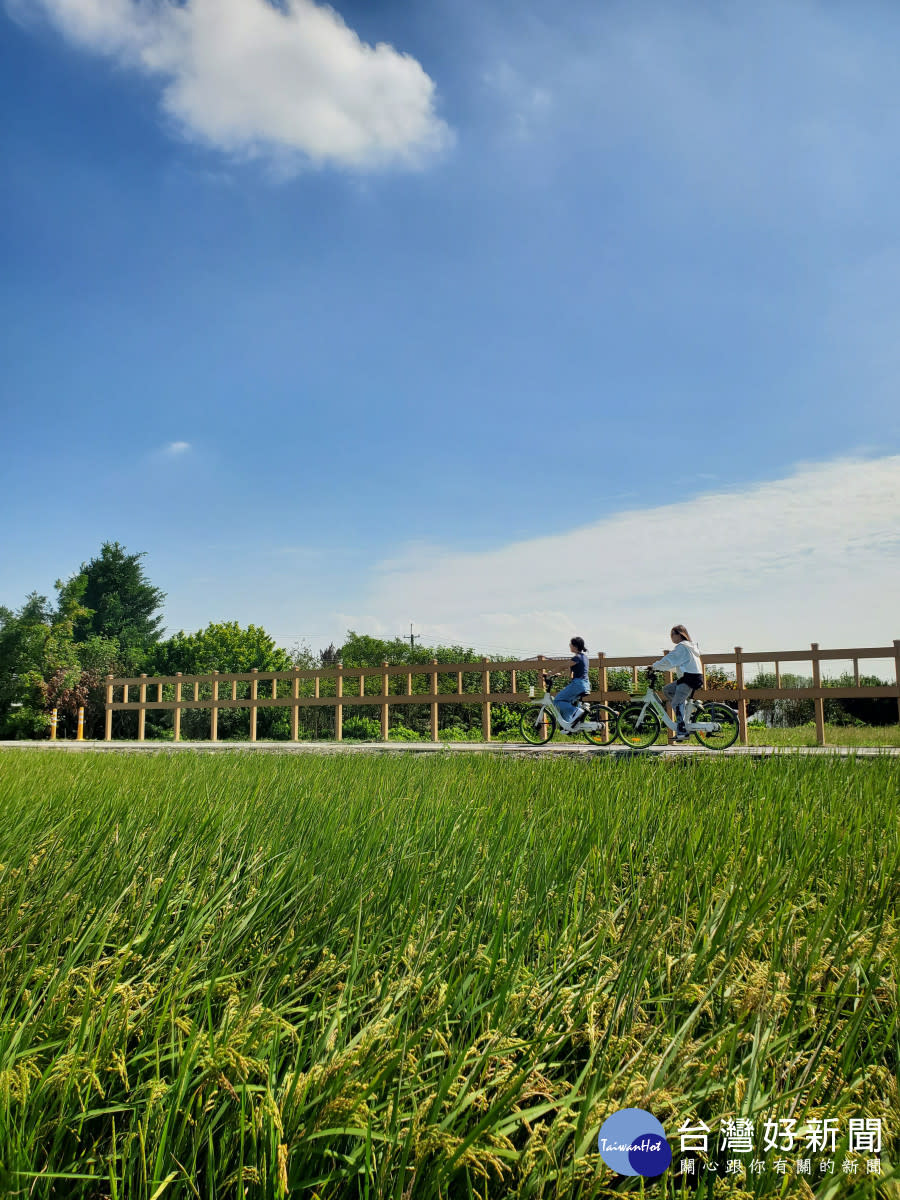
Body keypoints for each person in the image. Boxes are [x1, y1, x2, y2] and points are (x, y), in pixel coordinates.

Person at [651, 625, 704, 742]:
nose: (671, 637)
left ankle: (682, 730)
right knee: (667, 690)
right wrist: (659, 668)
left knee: (676, 702)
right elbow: (676, 665)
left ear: (679, 634)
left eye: (672, 634)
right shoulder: (690, 647)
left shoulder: (682, 647)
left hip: (689, 678)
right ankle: (684, 711)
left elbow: (669, 659)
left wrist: (654, 666)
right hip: (692, 677)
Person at [553, 637, 591, 726]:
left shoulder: (576, 658)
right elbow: (569, 674)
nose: (569, 645)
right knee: (566, 702)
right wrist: (559, 675)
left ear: (575, 646)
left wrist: (549, 673)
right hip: (585, 684)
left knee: (557, 701)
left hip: (578, 684)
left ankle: (577, 711)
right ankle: (569, 725)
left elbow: (562, 666)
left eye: (570, 644)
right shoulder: (584, 657)